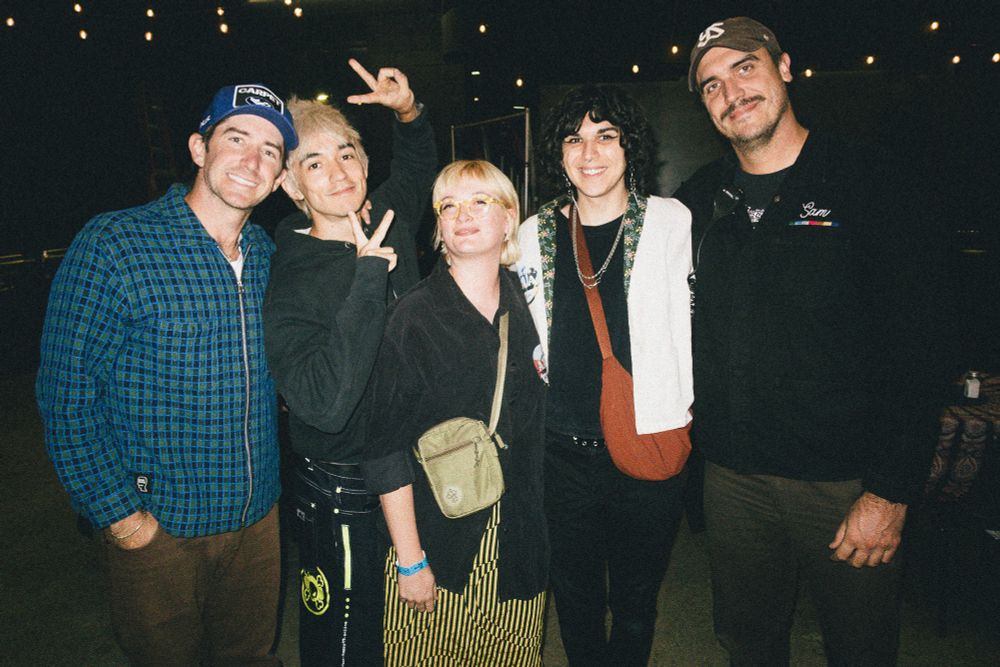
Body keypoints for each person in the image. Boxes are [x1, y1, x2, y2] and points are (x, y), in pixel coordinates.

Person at [674, 16, 951, 665]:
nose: (731, 91)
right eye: (712, 85)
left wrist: (891, 490)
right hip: (733, 478)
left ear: (786, 66)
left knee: (859, 647)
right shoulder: (698, 201)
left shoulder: (870, 183)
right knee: (748, 644)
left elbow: (924, 344)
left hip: (845, 481)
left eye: (745, 67)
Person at [36, 83, 296, 664]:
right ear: (199, 148)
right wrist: (121, 517)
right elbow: (66, 396)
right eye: (236, 138)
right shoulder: (115, 244)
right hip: (160, 525)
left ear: (280, 178)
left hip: (258, 521)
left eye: (271, 150)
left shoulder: (273, 258)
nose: (252, 159)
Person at [263, 59, 436, 666]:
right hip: (341, 489)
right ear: (291, 186)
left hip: (408, 471)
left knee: (402, 638)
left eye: (347, 154)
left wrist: (406, 111)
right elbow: (324, 402)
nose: (337, 173)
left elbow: (417, 167)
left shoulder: (383, 215)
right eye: (314, 163)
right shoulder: (290, 275)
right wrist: (368, 274)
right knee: (343, 643)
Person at [517, 85, 693, 666]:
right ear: (558, 154)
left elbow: (702, 327)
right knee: (575, 597)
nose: (589, 152)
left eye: (605, 136)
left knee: (637, 598)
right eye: (574, 138)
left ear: (629, 147)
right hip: (561, 453)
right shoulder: (532, 234)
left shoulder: (670, 223)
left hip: (647, 443)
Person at [363, 160, 549, 666]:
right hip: (439, 545)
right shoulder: (413, 316)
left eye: (480, 201)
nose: (463, 214)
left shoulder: (531, 305)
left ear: (509, 219)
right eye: (449, 206)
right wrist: (409, 559)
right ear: (439, 227)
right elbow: (382, 448)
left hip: (519, 546)